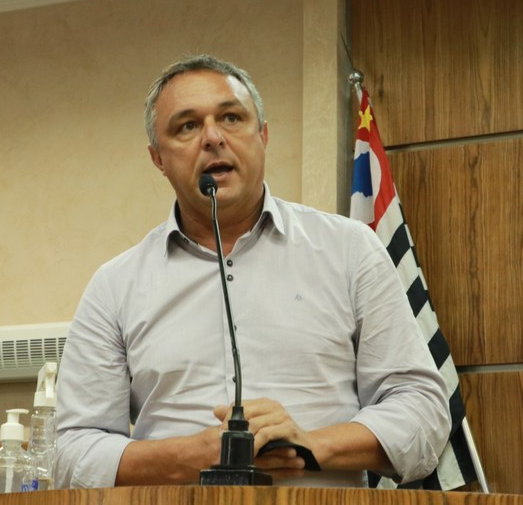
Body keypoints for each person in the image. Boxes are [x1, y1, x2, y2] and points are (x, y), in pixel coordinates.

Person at [54, 54, 451, 489]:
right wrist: (187, 458)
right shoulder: (115, 286)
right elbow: (73, 453)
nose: (213, 138)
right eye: (187, 126)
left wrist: (310, 446)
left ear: (263, 135)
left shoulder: (350, 250)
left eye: (231, 118)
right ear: (158, 159)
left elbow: (424, 412)